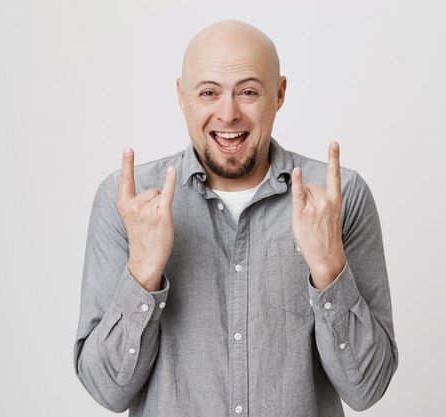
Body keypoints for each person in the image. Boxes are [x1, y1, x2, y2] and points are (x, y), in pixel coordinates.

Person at [73, 19, 398, 416]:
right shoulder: (127, 201)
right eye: (209, 92)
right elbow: (107, 391)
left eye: (248, 92)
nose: (228, 114)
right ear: (182, 96)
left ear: (278, 94)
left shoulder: (340, 199)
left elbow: (368, 388)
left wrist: (329, 268)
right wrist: (143, 272)